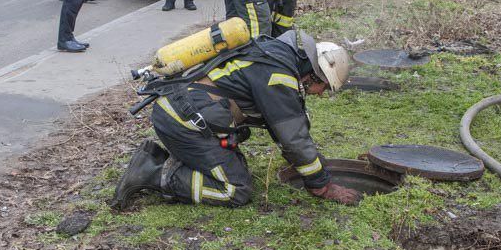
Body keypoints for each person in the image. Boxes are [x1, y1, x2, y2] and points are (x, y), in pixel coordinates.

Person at [111, 31, 362, 209]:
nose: (320, 95)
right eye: (325, 88)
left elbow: (285, 129)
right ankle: (153, 174)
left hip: (179, 112)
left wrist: (314, 166)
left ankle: (166, 160)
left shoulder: (273, 54)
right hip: (184, 122)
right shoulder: (280, 77)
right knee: (236, 190)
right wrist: (322, 185)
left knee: (237, 169)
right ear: (316, 75)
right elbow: (293, 139)